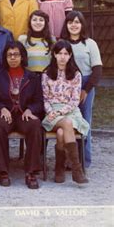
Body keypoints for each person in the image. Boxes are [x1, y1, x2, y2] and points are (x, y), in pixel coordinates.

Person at [0, 41, 43, 189]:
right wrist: (1, 108)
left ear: (22, 57)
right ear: (5, 58)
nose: (12, 58)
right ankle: (2, 171)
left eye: (16, 55)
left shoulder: (32, 77)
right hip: (6, 113)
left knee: (35, 125)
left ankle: (31, 172)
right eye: (9, 55)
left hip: (23, 114)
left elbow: (39, 101)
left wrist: (31, 109)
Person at [41, 40, 89, 184]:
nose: (62, 57)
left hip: (71, 111)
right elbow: (45, 99)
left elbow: (75, 101)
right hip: (52, 112)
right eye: (59, 53)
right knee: (66, 124)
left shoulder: (75, 74)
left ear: (70, 56)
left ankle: (59, 168)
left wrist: (62, 111)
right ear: (54, 54)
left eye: (66, 54)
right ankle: (76, 169)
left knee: (62, 133)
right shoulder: (46, 73)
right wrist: (52, 111)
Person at [61, 11, 102, 167]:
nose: (74, 25)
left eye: (77, 22)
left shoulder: (90, 43)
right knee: (67, 121)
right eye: (71, 22)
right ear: (66, 25)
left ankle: (84, 160)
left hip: (86, 83)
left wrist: (85, 90)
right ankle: (68, 159)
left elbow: (97, 69)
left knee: (84, 121)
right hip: (65, 84)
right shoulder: (63, 43)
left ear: (82, 24)